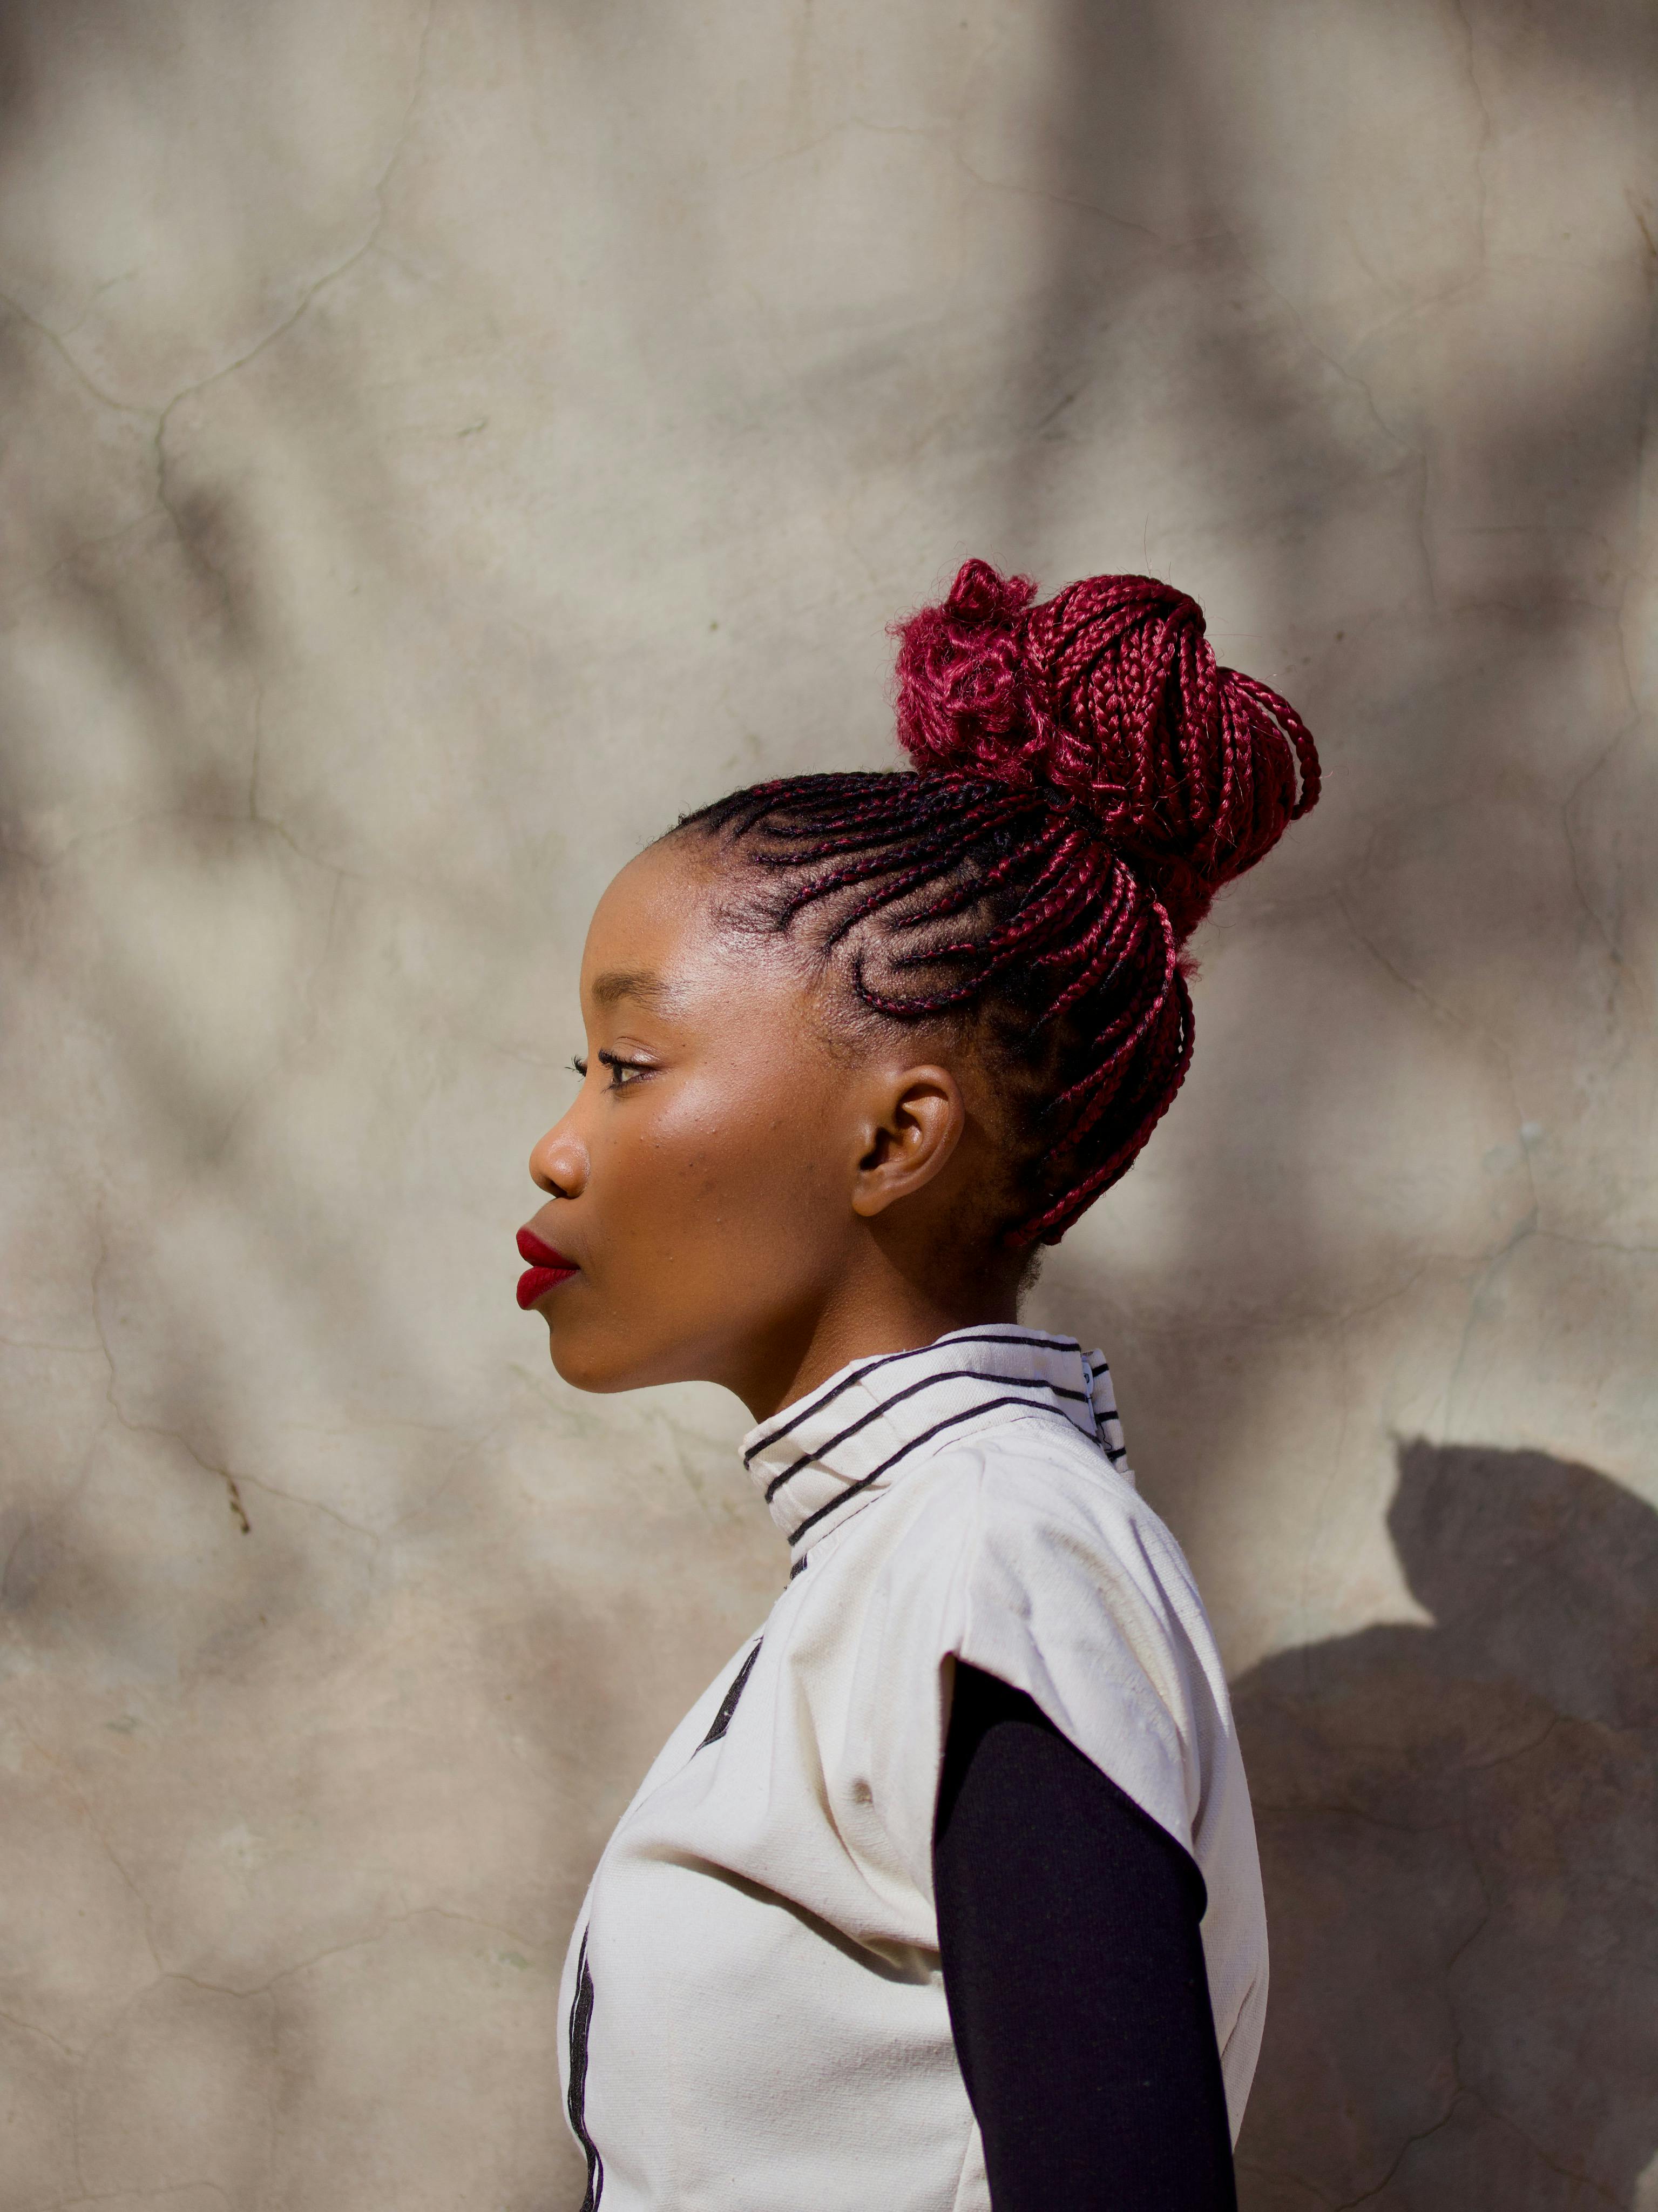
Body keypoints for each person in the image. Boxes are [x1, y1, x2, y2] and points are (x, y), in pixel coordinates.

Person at [516, 557, 1320, 2211]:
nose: (557, 1145)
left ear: (896, 1136)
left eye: (628, 1065)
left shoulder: (995, 1555)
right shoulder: (912, 1566)